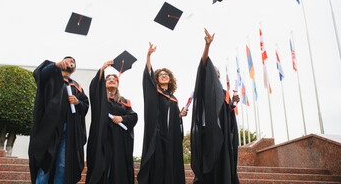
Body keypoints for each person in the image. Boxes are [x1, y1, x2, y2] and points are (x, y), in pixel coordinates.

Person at [28, 56, 89, 184]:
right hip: (49, 128)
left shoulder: (77, 86)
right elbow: (40, 74)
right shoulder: (51, 77)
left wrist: (78, 102)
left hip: (69, 130)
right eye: (67, 60)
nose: (70, 62)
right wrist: (56, 65)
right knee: (46, 162)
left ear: (75, 69)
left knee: (62, 165)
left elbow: (85, 104)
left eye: (73, 61)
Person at [190, 29, 240, 184]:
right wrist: (207, 46)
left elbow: (227, 113)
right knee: (207, 166)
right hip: (206, 132)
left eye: (217, 73)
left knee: (221, 164)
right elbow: (203, 65)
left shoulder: (224, 93)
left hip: (221, 134)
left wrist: (232, 105)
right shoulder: (203, 88)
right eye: (213, 72)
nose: (215, 75)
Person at [137, 42, 188, 184]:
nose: (164, 76)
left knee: (170, 164)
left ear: (170, 79)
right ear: (157, 79)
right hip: (158, 134)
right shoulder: (155, 92)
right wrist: (148, 56)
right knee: (158, 164)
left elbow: (175, 116)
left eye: (166, 75)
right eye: (160, 75)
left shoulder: (173, 98)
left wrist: (181, 114)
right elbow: (148, 75)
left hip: (171, 136)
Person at [86, 60, 138, 184]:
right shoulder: (100, 98)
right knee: (103, 168)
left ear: (118, 84)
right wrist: (103, 68)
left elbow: (133, 116)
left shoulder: (124, 101)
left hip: (119, 141)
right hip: (103, 139)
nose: (111, 79)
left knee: (118, 170)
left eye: (114, 78)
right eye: (108, 78)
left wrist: (122, 119)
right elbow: (94, 87)